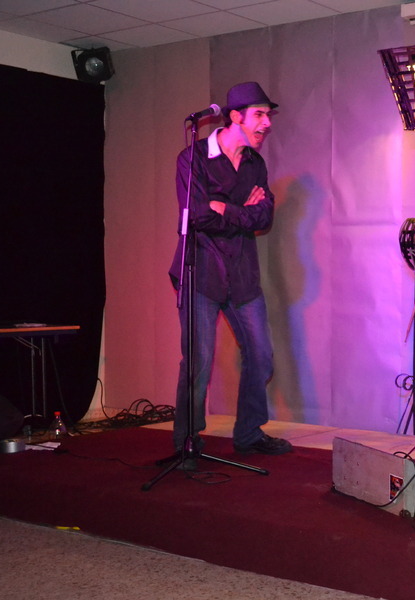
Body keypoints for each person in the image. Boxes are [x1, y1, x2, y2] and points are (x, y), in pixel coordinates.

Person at [169, 82, 291, 458]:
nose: (267, 123)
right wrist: (241, 211)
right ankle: (188, 441)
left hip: (242, 275)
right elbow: (198, 216)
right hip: (201, 273)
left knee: (261, 355)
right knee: (198, 362)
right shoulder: (192, 158)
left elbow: (264, 216)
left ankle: (249, 433)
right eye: (259, 115)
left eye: (268, 115)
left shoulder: (256, 164)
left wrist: (226, 208)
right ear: (235, 117)